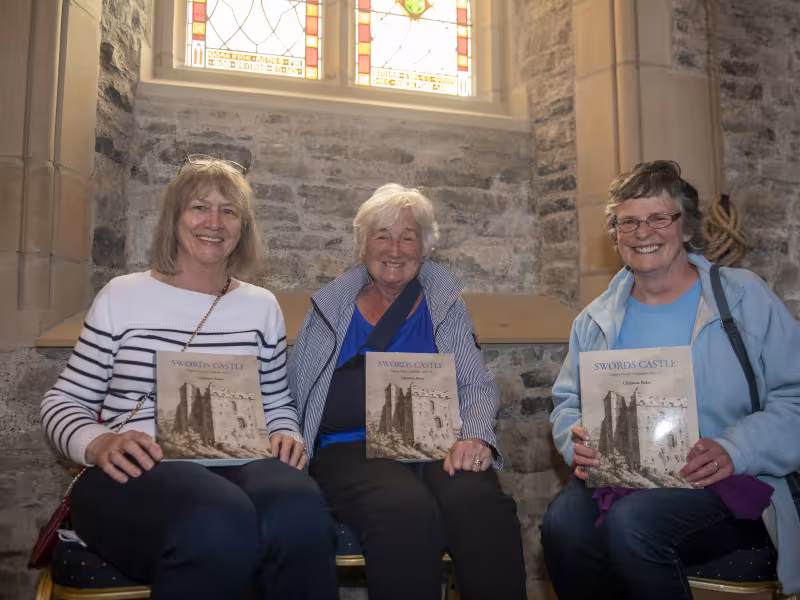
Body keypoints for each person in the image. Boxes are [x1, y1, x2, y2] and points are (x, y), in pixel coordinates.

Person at [40, 156, 338, 600]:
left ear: (243, 227)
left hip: (241, 460)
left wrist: (285, 432)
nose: (213, 222)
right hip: (139, 469)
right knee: (217, 514)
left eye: (229, 211)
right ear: (175, 218)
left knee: (298, 507)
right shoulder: (122, 297)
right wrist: (98, 443)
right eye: (200, 207)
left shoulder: (261, 306)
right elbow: (63, 402)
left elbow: (275, 401)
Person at [542, 160, 800, 599]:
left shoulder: (743, 297)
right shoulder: (595, 320)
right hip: (620, 475)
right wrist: (574, 439)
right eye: (629, 221)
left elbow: (793, 396)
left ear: (685, 228)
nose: (644, 232)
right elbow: (569, 402)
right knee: (561, 527)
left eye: (660, 217)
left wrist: (735, 448)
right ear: (616, 235)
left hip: (724, 480)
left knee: (633, 525)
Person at [288, 184, 527, 600]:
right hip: (350, 447)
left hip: (437, 442)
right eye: (382, 235)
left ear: (425, 246)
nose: (394, 249)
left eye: (407, 236)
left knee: (480, 504)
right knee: (404, 509)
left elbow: (474, 383)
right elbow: (298, 389)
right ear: (364, 244)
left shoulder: (445, 303)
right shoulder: (330, 307)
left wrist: (474, 436)